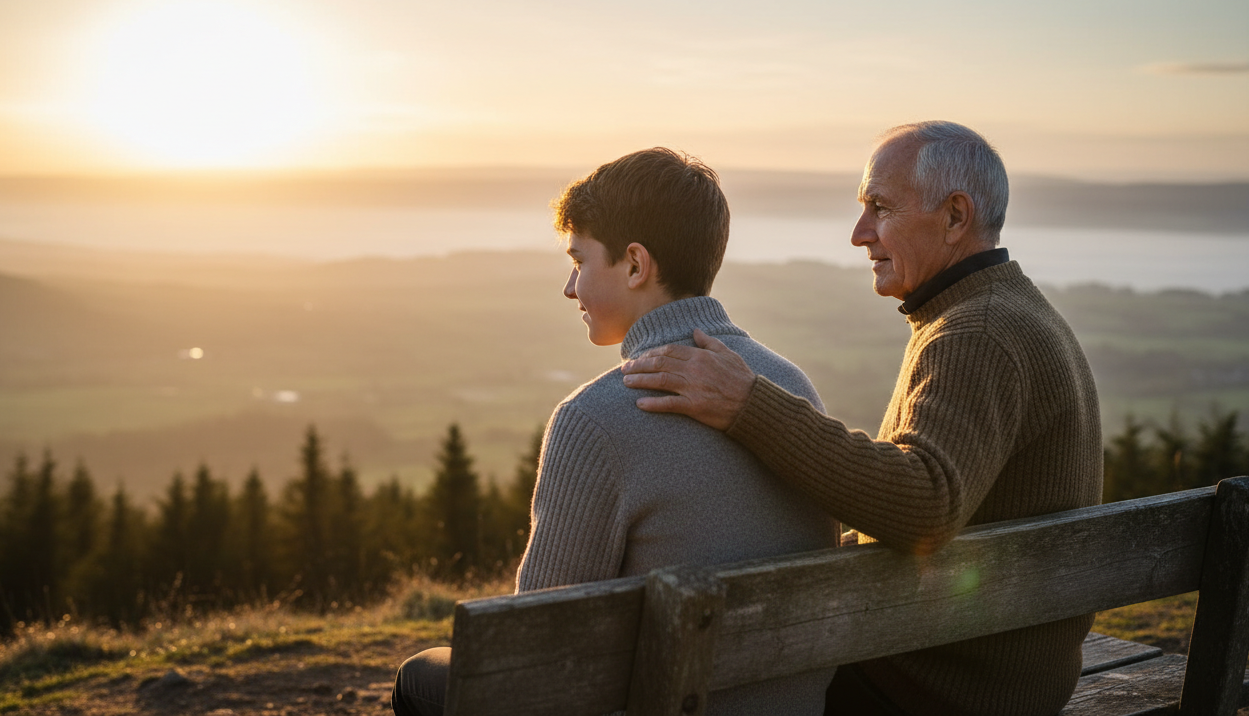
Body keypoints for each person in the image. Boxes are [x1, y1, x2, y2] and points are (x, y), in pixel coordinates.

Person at [620, 122, 1103, 716]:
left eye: (880, 208)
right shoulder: (1007, 310)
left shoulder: (976, 332)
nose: (858, 233)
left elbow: (924, 504)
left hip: (936, 689)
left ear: (955, 217)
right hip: (995, 672)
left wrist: (746, 402)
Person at [392, 147, 839, 715]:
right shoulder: (789, 388)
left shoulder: (595, 420)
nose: (570, 288)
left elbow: (533, 656)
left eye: (579, 262)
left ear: (634, 265)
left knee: (418, 677)